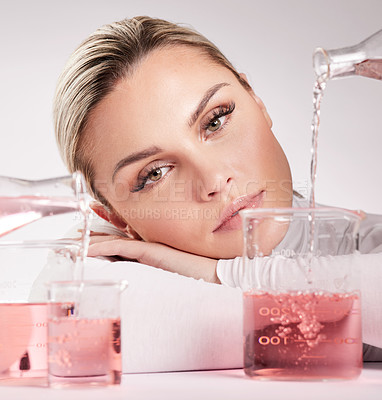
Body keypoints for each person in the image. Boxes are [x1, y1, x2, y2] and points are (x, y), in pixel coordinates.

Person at [48, 16, 382, 371]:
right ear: (115, 217)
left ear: (257, 101)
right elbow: (60, 318)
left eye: (215, 120)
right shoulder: (102, 261)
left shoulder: (365, 241)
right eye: (155, 173)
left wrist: (221, 276)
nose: (214, 179)